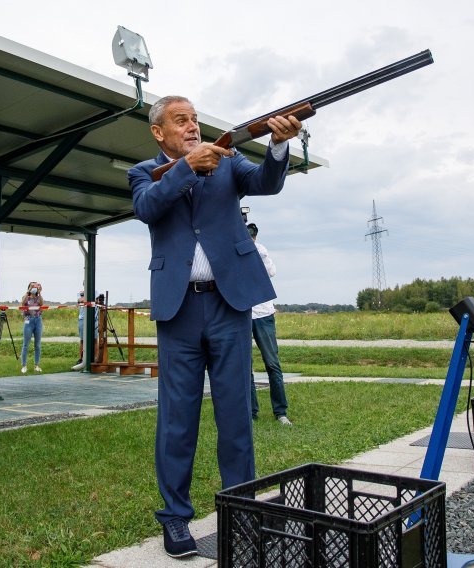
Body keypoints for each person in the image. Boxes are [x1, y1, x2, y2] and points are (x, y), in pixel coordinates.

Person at [129, 95, 301, 558]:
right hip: (178, 310)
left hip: (230, 305)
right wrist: (187, 165)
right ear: (158, 132)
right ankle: (175, 519)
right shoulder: (144, 172)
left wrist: (280, 146)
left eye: (195, 120)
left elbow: (266, 183)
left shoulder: (229, 160)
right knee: (176, 422)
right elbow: (147, 208)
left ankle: (240, 510)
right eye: (180, 121)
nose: (191, 126)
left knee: (235, 416)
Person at [247, 222, 291, 426]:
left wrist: (255, 248)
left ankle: (280, 412)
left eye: (252, 234)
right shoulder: (233, 249)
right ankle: (251, 412)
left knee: (272, 363)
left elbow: (270, 272)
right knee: (245, 366)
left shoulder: (261, 250)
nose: (250, 237)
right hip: (243, 313)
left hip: (263, 313)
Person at [20, 281, 44, 374]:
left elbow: (41, 303)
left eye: (35, 286)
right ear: (29, 287)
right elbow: (23, 302)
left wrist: (39, 292)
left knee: (37, 345)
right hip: (28, 320)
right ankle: (24, 365)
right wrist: (29, 291)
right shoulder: (26, 297)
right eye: (32, 286)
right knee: (26, 344)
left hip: (38, 320)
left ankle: (36, 365)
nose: (34, 287)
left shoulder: (38, 297)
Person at [72, 291, 86, 371]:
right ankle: (81, 358)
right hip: (82, 318)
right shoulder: (80, 293)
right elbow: (79, 300)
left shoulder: (94, 292)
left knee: (94, 339)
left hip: (92, 318)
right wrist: (82, 300)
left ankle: (95, 357)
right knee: (82, 340)